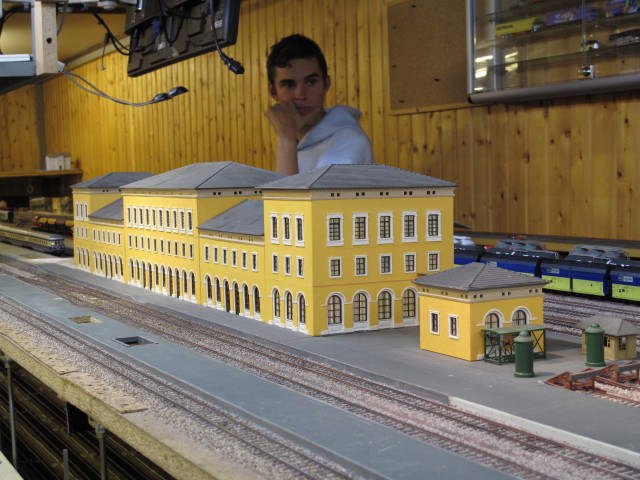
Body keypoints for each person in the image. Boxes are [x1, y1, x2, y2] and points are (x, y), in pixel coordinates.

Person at [266, 34, 374, 175]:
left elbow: (287, 191)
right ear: (273, 91)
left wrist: (286, 139)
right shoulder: (301, 142)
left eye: (311, 82)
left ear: (326, 84)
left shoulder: (348, 143)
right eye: (289, 85)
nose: (300, 95)